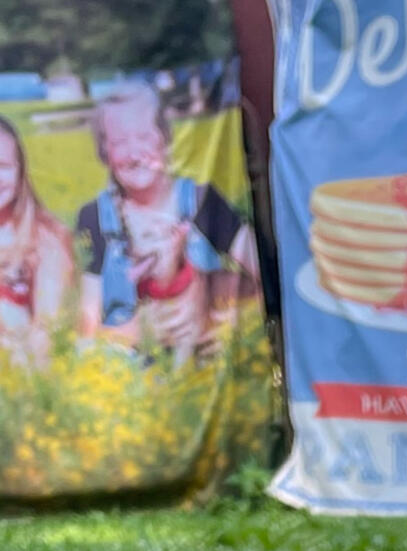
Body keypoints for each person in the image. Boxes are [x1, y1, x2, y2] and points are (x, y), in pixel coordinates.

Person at [76, 82, 258, 362]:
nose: (135, 153)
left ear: (164, 137)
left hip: (208, 365)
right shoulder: (93, 218)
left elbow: (265, 277)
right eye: (119, 142)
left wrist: (226, 317)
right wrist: (139, 330)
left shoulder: (202, 200)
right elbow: (87, 329)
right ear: (104, 152)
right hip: (129, 368)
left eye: (144, 136)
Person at [0, 115, 75, 366]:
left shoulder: (47, 238)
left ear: (20, 172)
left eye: (2, 166)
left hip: (23, 366)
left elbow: (47, 330)